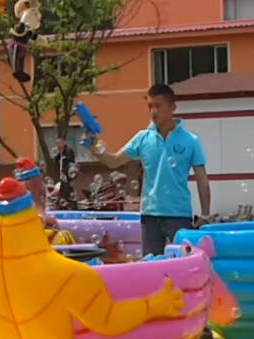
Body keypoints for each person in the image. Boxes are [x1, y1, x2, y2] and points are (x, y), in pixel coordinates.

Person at [89, 84, 211, 255]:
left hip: (179, 215)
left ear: (172, 108)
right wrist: (93, 147)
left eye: (158, 106)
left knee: (182, 264)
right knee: (151, 264)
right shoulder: (143, 138)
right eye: (150, 106)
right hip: (150, 216)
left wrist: (205, 215)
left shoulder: (191, 140)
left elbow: (202, 179)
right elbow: (113, 161)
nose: (153, 112)